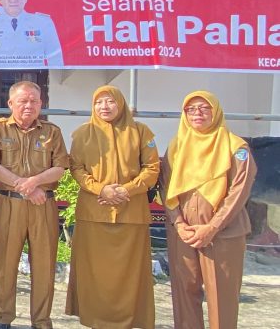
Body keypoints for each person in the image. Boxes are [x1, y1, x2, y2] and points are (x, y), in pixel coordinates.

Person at [65, 85, 159, 328]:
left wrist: (126, 190)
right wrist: (101, 189)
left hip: (131, 213)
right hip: (94, 213)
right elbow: (76, 168)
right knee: (94, 274)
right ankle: (94, 320)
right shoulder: (82, 133)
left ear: (121, 104)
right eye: (99, 102)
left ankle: (127, 321)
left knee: (129, 274)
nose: (104, 107)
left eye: (110, 101)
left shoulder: (141, 132)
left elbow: (152, 168)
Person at [161, 91, 257, 329]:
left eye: (205, 108)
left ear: (216, 112)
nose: (197, 113)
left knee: (222, 296)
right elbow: (166, 187)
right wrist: (179, 224)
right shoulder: (176, 147)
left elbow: (239, 192)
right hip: (183, 233)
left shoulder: (236, 147)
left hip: (223, 234)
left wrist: (212, 227)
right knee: (184, 293)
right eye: (191, 109)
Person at [0, 81, 69, 329]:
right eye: (23, 101)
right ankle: (2, 318)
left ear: (41, 104)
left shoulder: (52, 132)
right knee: (5, 264)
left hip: (43, 205)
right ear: (11, 103)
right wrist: (25, 186)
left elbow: (60, 167)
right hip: (8, 203)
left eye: (34, 101)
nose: (28, 105)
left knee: (44, 266)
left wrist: (34, 183)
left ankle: (41, 321)